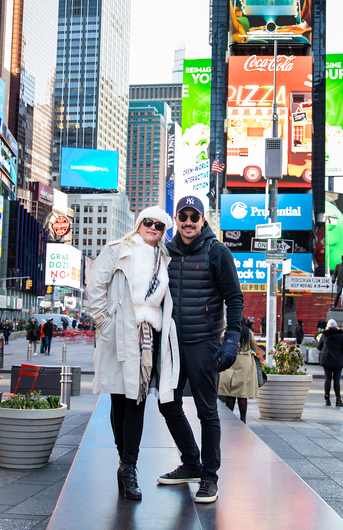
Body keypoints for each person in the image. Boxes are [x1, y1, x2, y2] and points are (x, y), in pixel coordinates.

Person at [87, 207, 180, 501]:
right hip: (119, 331)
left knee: (136, 400)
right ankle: (123, 459)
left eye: (160, 225)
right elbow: (96, 286)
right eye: (148, 222)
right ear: (139, 223)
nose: (153, 227)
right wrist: (104, 322)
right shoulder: (117, 249)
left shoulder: (163, 257)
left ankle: (129, 466)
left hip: (148, 335)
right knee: (118, 397)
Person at [156, 195, 244, 504]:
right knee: (167, 403)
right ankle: (191, 462)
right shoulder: (164, 252)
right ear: (176, 220)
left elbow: (234, 298)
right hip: (171, 344)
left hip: (204, 343)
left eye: (195, 216)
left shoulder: (217, 252)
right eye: (184, 216)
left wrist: (231, 339)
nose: (189, 221)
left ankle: (209, 477)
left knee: (208, 411)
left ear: (202, 220)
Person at [218, 320, 258, 422]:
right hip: (244, 362)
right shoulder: (248, 333)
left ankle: (229, 416)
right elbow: (254, 346)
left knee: (230, 391)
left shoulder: (228, 332)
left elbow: (221, 339)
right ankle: (243, 418)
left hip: (231, 361)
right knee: (242, 392)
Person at [318, 319, 343, 407]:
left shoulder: (324, 335)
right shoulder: (341, 335)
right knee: (337, 380)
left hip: (327, 359)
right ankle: (338, 399)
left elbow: (318, 347)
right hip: (338, 360)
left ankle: (327, 398)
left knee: (327, 378)